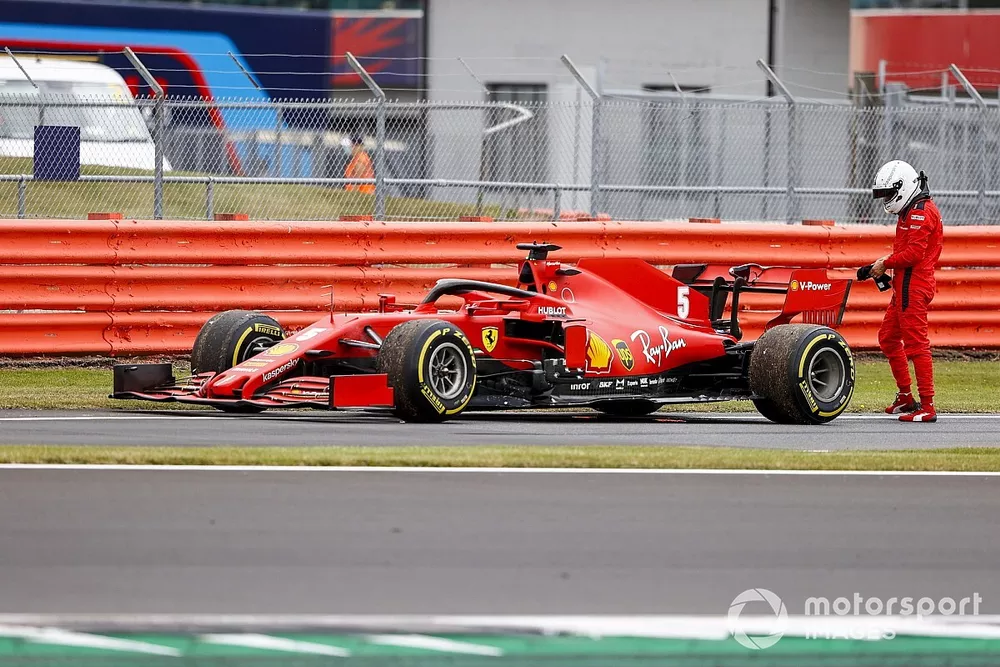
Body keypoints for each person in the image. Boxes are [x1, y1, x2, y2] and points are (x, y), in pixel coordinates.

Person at [868, 159, 944, 423]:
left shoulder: (920, 212)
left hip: (914, 285)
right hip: (905, 284)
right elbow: (907, 251)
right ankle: (905, 397)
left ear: (903, 187)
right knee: (888, 338)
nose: (886, 198)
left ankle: (927, 406)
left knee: (916, 345)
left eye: (889, 193)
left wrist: (885, 263)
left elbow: (914, 254)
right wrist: (883, 263)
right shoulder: (910, 210)